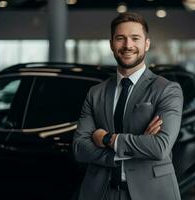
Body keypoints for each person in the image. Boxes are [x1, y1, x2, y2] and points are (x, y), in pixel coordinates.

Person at [73, 12, 183, 200]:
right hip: (101, 192)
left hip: (151, 192)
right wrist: (127, 150)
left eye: (135, 38)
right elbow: (79, 148)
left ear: (146, 44)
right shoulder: (95, 93)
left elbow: (159, 147)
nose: (127, 45)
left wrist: (108, 139)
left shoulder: (167, 90)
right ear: (111, 44)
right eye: (120, 38)